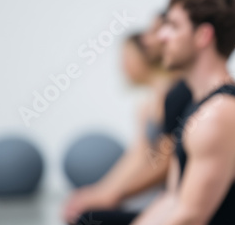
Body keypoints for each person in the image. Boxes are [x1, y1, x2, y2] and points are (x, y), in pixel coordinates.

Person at [131, 0, 235, 225]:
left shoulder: (219, 114)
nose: (161, 36)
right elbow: (172, 198)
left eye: (173, 26)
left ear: (203, 35)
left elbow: (190, 217)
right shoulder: (197, 105)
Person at [62, 14, 192, 225]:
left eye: (126, 58)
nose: (122, 67)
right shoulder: (146, 106)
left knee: (88, 219)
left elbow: (164, 160)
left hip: (169, 202)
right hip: (153, 200)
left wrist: (113, 195)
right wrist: (100, 192)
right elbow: (138, 154)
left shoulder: (175, 94)